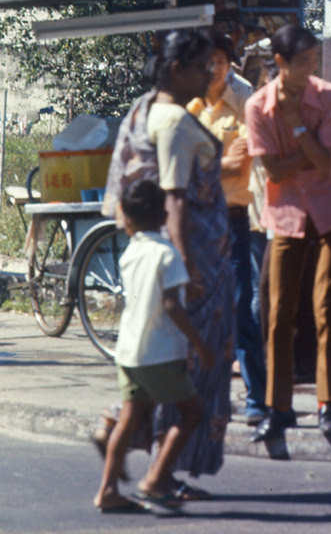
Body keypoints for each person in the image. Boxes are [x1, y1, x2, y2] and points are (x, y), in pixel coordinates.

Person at [104, 29, 234, 498]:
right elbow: (176, 198)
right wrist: (188, 267)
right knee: (192, 368)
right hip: (196, 261)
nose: (210, 75)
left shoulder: (144, 110)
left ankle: (131, 447)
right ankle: (163, 472)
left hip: (170, 255)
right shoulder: (176, 121)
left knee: (164, 366)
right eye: (203, 67)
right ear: (177, 70)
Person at [245, 25, 331, 443]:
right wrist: (309, 152)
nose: (311, 69)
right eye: (303, 61)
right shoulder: (258, 105)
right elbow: (273, 171)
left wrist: (296, 127)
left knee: (326, 306)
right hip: (286, 213)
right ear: (281, 62)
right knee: (277, 313)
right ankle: (279, 407)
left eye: (314, 60)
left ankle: (328, 404)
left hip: (329, 213)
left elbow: (327, 164)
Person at [94, 179, 215, 514]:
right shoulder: (167, 253)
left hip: (129, 352)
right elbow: (172, 305)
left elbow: (149, 294)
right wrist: (200, 345)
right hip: (159, 352)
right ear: (164, 216)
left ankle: (107, 490)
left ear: (127, 218)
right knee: (192, 413)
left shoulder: (130, 252)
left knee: (129, 419)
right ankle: (156, 479)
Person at [187, 31, 266, 426]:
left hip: (233, 220)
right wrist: (214, 165)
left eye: (218, 60)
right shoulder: (190, 110)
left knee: (241, 310)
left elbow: (239, 167)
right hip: (198, 222)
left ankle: (257, 399)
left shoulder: (245, 105)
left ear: (229, 64)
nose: (212, 68)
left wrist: (202, 166)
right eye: (205, 61)